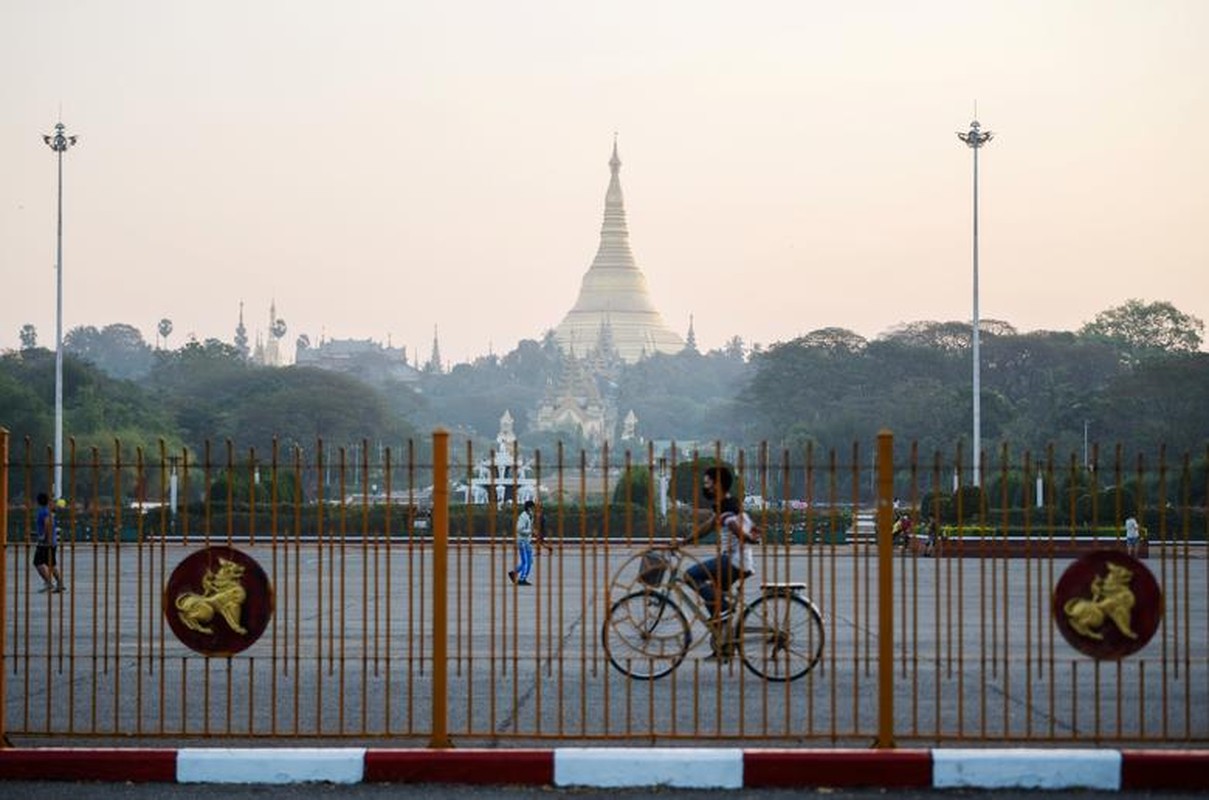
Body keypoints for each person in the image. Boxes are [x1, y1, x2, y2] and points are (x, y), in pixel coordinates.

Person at [677, 466, 757, 624]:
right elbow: (708, 526)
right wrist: (685, 541)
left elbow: (734, 526)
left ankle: (724, 609)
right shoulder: (728, 504)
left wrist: (747, 537)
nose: (705, 487)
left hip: (733, 562)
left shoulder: (726, 509)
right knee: (712, 597)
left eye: (707, 483)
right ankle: (722, 639)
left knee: (690, 576)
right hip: (740, 561)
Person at [33, 492, 67, 593]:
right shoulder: (47, 511)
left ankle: (49, 583)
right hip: (51, 542)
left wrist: (44, 536)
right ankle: (59, 584)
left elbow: (48, 523)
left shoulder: (43, 512)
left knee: (37, 562)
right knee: (51, 564)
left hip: (46, 543)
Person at [508, 499, 536, 586]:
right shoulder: (523, 517)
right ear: (529, 508)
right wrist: (530, 531)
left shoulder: (529, 515)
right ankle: (522, 579)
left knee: (528, 561)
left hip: (526, 541)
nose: (534, 509)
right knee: (527, 561)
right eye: (532, 507)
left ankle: (514, 573)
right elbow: (519, 529)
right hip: (522, 541)